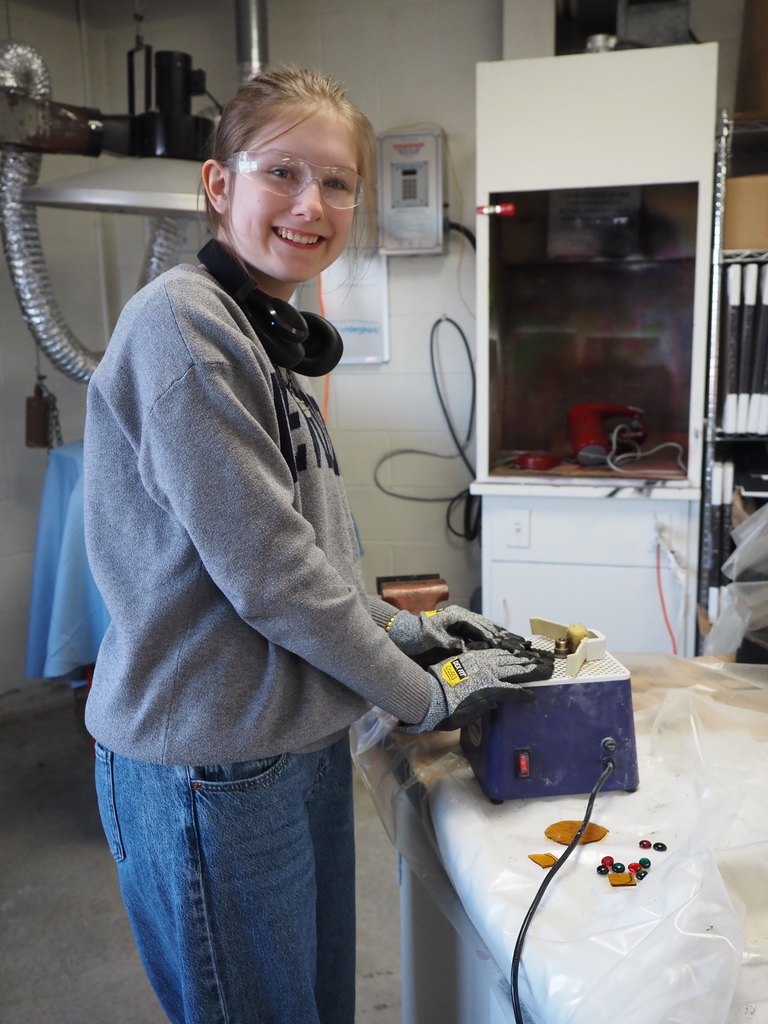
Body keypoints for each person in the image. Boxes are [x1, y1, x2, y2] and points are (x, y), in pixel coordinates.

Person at [83, 67, 551, 1024]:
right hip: (211, 760)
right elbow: (270, 574)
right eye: (284, 173)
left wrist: (423, 629)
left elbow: (309, 555)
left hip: (295, 738)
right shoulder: (184, 326)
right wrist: (422, 694)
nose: (313, 204)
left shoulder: (267, 342)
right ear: (220, 186)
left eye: (338, 183)